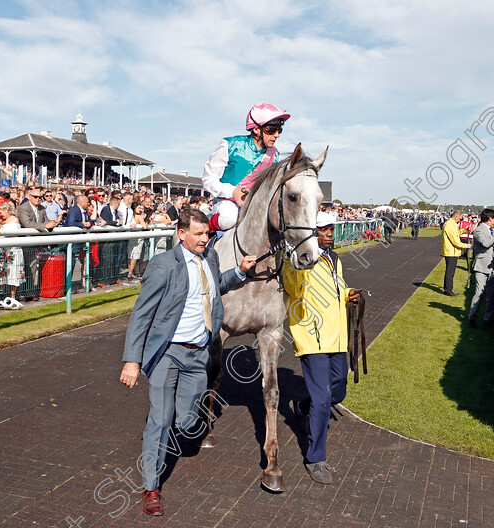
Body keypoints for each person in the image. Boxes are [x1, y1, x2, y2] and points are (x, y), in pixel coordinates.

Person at [120, 208, 256, 516]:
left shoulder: (209, 259)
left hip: (198, 354)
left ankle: (166, 426)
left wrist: (239, 272)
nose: (204, 239)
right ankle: (151, 487)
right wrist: (132, 361)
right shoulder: (163, 265)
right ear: (181, 234)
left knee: (188, 421)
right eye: (198, 234)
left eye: (206, 234)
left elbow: (214, 286)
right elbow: (141, 315)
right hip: (168, 352)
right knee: (161, 419)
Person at [283, 211, 361, 484]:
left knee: (338, 390)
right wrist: (298, 262)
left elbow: (336, 287)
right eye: (323, 230)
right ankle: (315, 458)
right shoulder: (297, 260)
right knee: (323, 398)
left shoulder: (334, 258)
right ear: (310, 232)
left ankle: (303, 407)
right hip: (312, 337)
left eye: (331, 229)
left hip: (337, 337)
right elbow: (292, 288)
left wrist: (348, 293)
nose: (329, 234)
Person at [202, 103, 290, 232]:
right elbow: (207, 180)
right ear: (256, 129)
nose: (277, 135)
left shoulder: (275, 154)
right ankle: (204, 227)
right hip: (226, 202)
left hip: (253, 205)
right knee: (228, 220)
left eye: (279, 129)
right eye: (271, 129)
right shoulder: (230, 145)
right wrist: (233, 192)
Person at [468, 209, 494, 329]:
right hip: (482, 266)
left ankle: (488, 319)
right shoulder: (478, 231)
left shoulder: (491, 230)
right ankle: (471, 317)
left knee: (492, 295)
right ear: (490, 218)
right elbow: (486, 243)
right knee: (479, 293)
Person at [0, 201, 25, 308]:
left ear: (6, 210)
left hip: (13, 251)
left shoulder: (14, 219)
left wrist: (0, 227)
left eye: (1, 212)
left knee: (14, 273)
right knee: (2, 274)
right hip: (4, 251)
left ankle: (12, 297)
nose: (0, 215)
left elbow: (9, 233)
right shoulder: (2, 220)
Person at [441, 210, 472, 296]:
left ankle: (447, 288)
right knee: (450, 272)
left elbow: (456, 234)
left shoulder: (452, 224)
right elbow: (454, 240)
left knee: (450, 272)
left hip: (452, 251)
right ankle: (448, 290)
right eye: (460, 219)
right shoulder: (449, 225)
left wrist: (464, 230)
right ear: (455, 217)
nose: (460, 221)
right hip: (451, 251)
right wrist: (466, 246)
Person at [126, 201, 149, 279]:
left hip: (130, 236)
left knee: (130, 254)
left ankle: (131, 272)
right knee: (135, 255)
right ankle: (130, 272)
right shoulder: (138, 216)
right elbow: (145, 226)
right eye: (138, 208)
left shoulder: (131, 215)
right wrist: (148, 220)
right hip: (138, 238)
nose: (140, 209)